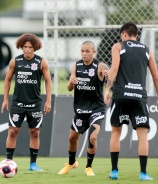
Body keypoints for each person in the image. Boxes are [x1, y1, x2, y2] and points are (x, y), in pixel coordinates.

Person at [104, 22, 158, 181]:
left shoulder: (118, 46)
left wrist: (107, 89)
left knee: (116, 132)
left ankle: (114, 171)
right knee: (142, 135)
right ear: (135, 34)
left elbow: (115, 69)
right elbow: (156, 77)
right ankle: (143, 173)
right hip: (139, 97)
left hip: (121, 95)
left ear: (123, 33)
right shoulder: (146, 50)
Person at [1, 33, 52, 171]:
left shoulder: (41, 62)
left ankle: (33, 164)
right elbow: (7, 79)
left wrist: (48, 101)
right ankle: (8, 162)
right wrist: (5, 99)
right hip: (18, 103)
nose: (28, 49)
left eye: (30, 47)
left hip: (34, 104)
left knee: (35, 132)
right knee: (12, 131)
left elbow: (48, 81)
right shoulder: (15, 61)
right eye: (25, 47)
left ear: (35, 48)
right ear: (21, 47)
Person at [58, 41, 109, 176]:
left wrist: (106, 74)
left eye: (87, 51)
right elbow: (69, 88)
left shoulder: (99, 65)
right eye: (82, 51)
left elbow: (109, 75)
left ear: (94, 52)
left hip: (96, 109)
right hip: (81, 110)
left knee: (92, 138)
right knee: (72, 138)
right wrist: (71, 82)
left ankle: (88, 167)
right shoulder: (76, 65)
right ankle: (71, 163)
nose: (84, 54)